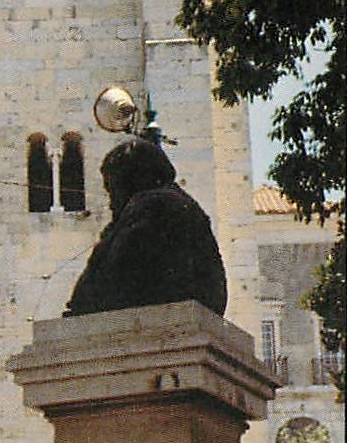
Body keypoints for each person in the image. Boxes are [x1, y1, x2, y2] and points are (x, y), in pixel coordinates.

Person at [64, 136, 228, 318]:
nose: (110, 203)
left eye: (112, 189)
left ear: (131, 179)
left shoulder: (153, 205)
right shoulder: (182, 204)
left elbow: (112, 271)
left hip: (162, 315)